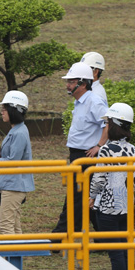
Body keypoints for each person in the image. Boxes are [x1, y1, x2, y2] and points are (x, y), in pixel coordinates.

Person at [51, 62, 109, 233]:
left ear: (83, 83)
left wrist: (99, 145)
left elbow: (108, 123)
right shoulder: (80, 102)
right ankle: (104, 237)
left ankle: (60, 236)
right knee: (83, 197)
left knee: (76, 196)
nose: (67, 85)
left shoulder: (93, 101)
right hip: (78, 154)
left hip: (86, 156)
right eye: (67, 81)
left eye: (71, 81)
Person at [91, 103, 135, 270]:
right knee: (124, 253)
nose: (105, 126)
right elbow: (133, 181)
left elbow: (99, 178)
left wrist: (91, 197)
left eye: (107, 122)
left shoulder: (107, 150)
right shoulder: (132, 149)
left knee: (116, 255)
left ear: (114, 125)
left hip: (108, 207)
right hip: (125, 207)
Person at [0, 91, 34, 235]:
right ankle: (16, 257)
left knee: (6, 225)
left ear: (14, 110)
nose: (2, 112)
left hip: (14, 185)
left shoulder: (19, 132)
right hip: (13, 183)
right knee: (14, 226)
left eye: (4, 109)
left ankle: (10, 256)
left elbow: (13, 161)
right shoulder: (17, 130)